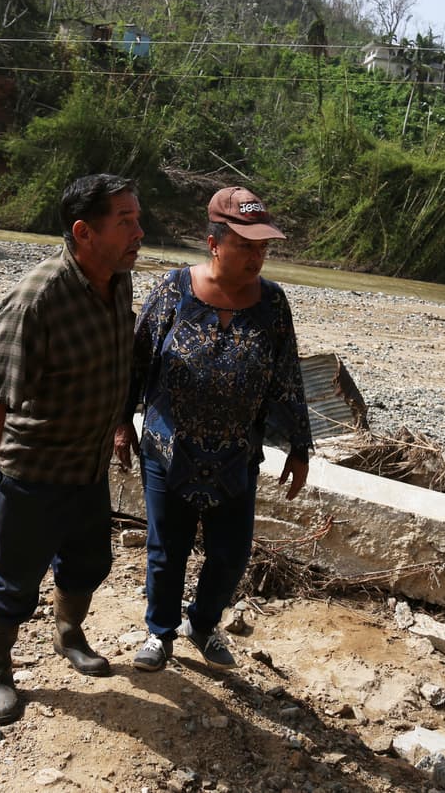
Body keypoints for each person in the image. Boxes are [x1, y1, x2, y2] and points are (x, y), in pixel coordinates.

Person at [0, 173, 143, 725]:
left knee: (89, 562)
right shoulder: (36, 300)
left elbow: (113, 363)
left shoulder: (119, 278)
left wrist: (117, 424)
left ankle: (68, 634)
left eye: (138, 218)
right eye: (125, 222)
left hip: (88, 467)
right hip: (34, 473)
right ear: (84, 232)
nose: (139, 232)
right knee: (14, 581)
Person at [118, 186, 312, 673]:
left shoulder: (273, 304)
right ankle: (159, 633)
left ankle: (201, 625)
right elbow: (136, 363)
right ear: (213, 242)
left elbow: (286, 375)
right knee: (167, 551)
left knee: (231, 555)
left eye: (263, 246)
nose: (257, 256)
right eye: (246, 245)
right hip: (168, 449)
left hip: (235, 456)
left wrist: (300, 446)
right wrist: (121, 423)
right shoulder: (173, 290)